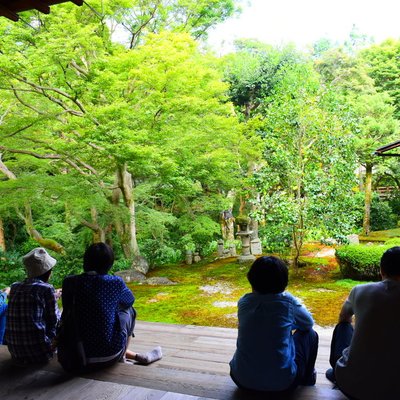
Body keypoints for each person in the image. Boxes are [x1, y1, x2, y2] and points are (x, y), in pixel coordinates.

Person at [59, 242, 162, 372]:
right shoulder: (114, 282)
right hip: (108, 356)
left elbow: (67, 309)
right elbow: (129, 300)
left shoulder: (69, 282)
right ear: (109, 263)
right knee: (130, 311)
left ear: (85, 261)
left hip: (72, 356)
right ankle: (123, 356)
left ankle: (132, 355)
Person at [230, 256, 319, 393]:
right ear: (283, 282)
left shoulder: (244, 302)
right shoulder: (288, 302)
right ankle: (308, 379)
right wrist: (288, 326)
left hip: (241, 380)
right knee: (310, 334)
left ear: (251, 279)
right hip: (283, 384)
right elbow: (308, 323)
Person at [326, 246, 400, 400]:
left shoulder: (360, 290)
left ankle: (337, 372)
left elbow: (344, 317)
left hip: (352, 387)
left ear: (381, 270)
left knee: (344, 327)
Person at [5, 247, 61, 364]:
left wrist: (54, 296)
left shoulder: (15, 287)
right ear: (48, 271)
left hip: (16, 352)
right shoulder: (47, 289)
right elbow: (55, 320)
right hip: (40, 353)